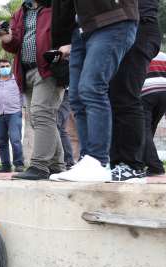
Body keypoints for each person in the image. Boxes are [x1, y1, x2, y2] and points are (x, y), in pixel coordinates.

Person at [51, 0, 139, 182]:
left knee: (92, 88)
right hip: (80, 28)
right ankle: (87, 160)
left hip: (111, 19)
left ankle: (98, 160)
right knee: (76, 97)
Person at [0, 0, 65, 181]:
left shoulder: (55, 6)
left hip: (49, 69)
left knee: (42, 114)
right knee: (39, 118)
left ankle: (40, 166)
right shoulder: (21, 12)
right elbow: (15, 43)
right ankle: (57, 166)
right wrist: (5, 35)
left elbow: (67, 31)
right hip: (26, 71)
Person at [107, 0, 162, 182]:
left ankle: (132, 164)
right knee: (114, 97)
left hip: (140, 26)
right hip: (117, 27)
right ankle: (117, 163)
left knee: (125, 94)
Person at [0, 59, 25, 172]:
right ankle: (5, 165)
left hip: (14, 113)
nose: (5, 68)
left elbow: (22, 95)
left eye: (7, 66)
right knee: (1, 141)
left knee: (15, 139)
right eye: (2, 66)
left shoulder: (17, 80)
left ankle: (19, 164)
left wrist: (25, 108)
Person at [56, 90, 75, 168]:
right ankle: (68, 161)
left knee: (57, 126)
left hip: (64, 92)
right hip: (64, 92)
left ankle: (68, 161)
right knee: (60, 129)